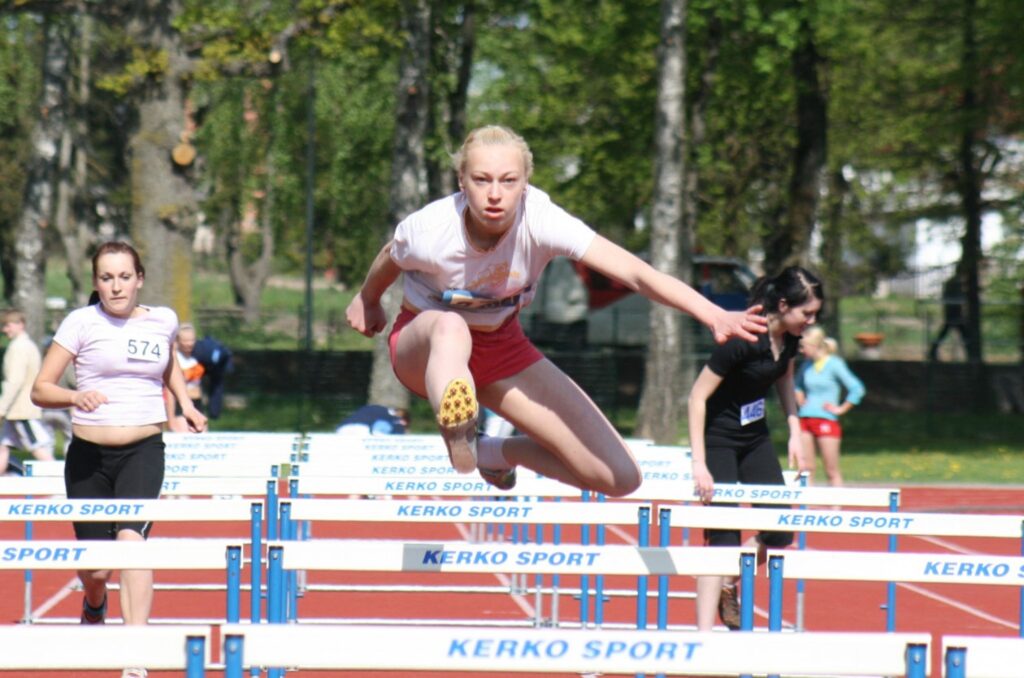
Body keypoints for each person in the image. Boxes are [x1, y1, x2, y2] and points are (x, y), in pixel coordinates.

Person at [345, 124, 766, 495]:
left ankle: (492, 450)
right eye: (482, 180)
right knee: (451, 327)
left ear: (525, 183)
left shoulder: (543, 220)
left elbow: (635, 273)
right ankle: (457, 426)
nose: (495, 194)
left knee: (619, 476)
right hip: (425, 345)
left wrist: (712, 312)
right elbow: (390, 257)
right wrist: (367, 299)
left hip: (501, 347)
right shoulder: (429, 229)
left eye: (508, 181)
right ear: (461, 181)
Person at [31, 241, 206, 678]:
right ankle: (94, 600)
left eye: (124, 277)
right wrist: (75, 395)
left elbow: (168, 365)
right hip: (88, 456)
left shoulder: (163, 320)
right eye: (107, 278)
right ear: (96, 282)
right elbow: (40, 389)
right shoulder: (80, 323)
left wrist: (185, 404)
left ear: (139, 279)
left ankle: (135, 654)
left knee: (133, 543)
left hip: (143, 450)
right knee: (96, 566)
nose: (116, 286)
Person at [688, 266, 822, 631]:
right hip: (718, 439)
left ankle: (729, 580)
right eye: (806, 313)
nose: (811, 322)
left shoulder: (790, 339)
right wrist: (699, 463)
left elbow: (785, 379)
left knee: (779, 530)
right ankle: (701, 640)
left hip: (755, 437)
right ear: (783, 304)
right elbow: (697, 397)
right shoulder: (742, 338)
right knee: (723, 538)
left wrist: (794, 429)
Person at [795, 327, 865, 486]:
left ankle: (836, 507)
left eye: (803, 347)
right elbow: (796, 386)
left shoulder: (834, 364)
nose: (801, 350)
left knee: (831, 469)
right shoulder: (806, 365)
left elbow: (857, 388)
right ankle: (807, 506)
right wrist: (800, 399)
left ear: (814, 346)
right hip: (805, 419)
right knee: (806, 468)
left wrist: (841, 408)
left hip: (826, 420)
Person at [0, 310, 56, 474]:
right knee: (3, 447)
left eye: (8, 325)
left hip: (21, 409)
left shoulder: (19, 347)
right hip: (16, 410)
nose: (5, 330)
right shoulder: (26, 345)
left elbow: (14, 381)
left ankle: (61, 484)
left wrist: (2, 406)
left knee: (37, 446)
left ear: (20, 325)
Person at [166, 323, 204, 433]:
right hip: (180, 407)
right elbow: (169, 391)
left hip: (197, 405)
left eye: (192, 340)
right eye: (186, 340)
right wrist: (171, 418)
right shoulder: (176, 360)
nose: (189, 344)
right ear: (178, 341)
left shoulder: (197, 358)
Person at [928, 269, 967, 361]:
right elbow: (955, 298)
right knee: (964, 335)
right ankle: (932, 352)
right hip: (954, 314)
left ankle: (932, 352)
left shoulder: (954, 283)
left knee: (962, 335)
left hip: (954, 314)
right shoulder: (955, 283)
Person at [191, 334, 233, 419]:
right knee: (216, 387)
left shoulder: (201, 347)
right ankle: (214, 413)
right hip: (213, 365)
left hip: (209, 364)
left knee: (210, 386)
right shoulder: (216, 348)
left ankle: (204, 411)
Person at [335, 404, 409, 435]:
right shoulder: (390, 418)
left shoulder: (372, 408)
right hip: (361, 430)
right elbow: (378, 430)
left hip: (342, 429)